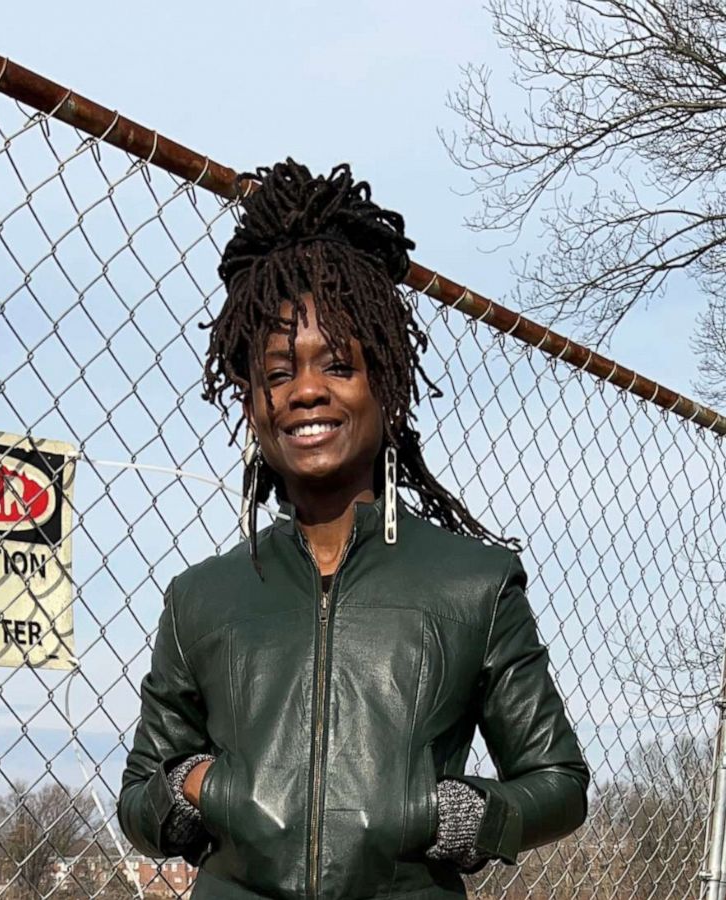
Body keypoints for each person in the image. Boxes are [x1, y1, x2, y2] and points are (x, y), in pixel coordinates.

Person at [117, 159, 589, 900]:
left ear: (387, 383)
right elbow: (139, 799)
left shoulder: (477, 584)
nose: (306, 390)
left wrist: (465, 814)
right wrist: (195, 787)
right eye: (277, 372)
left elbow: (559, 782)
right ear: (252, 403)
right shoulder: (199, 599)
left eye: (338, 364)